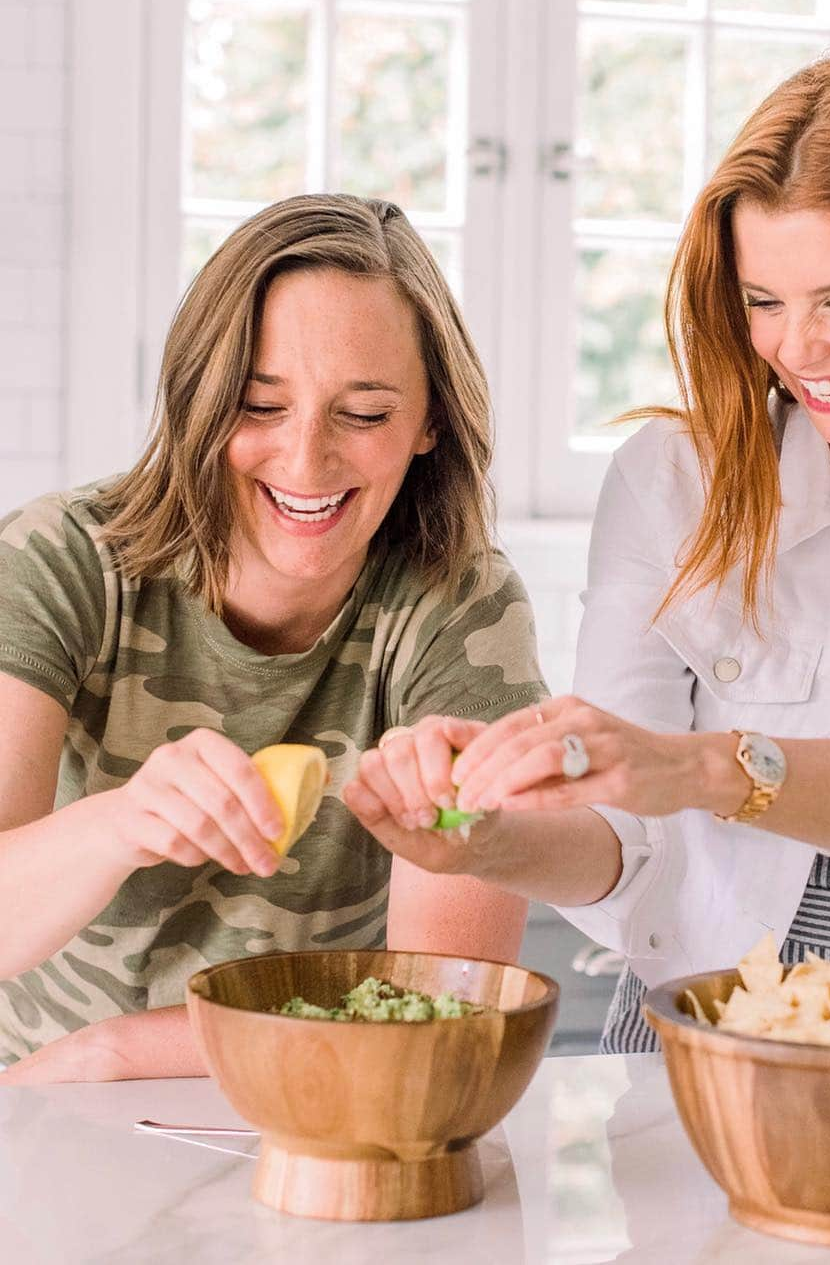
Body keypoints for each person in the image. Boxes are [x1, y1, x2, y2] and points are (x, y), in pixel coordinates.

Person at [342, 41, 830, 1054]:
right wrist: (484, 841)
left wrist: (705, 768)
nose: (796, 350)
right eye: (764, 302)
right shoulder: (668, 484)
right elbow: (624, 848)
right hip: (696, 1050)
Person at [0, 194, 547, 1081]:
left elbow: (446, 998)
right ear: (199, 401)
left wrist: (115, 1050)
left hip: (311, 1096)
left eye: (364, 415)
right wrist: (124, 822)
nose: (305, 462)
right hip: (38, 1102)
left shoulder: (459, 606)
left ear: (429, 422)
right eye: (260, 406)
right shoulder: (58, 563)